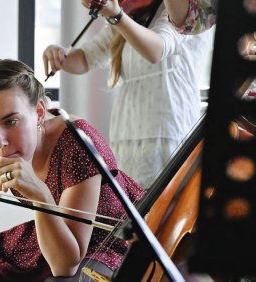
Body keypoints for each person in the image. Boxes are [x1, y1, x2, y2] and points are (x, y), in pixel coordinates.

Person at [0, 44, 145, 281]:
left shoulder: (76, 144)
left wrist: (40, 196)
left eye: (11, 122)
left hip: (111, 244)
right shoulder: (8, 122)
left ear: (39, 113)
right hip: (52, 234)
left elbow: (65, 266)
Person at [43, 0, 212, 188]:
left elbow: (157, 49)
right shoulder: (132, 14)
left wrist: (117, 16)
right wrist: (59, 56)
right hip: (128, 131)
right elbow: (85, 59)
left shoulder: (179, 11)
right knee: (130, 207)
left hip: (168, 129)